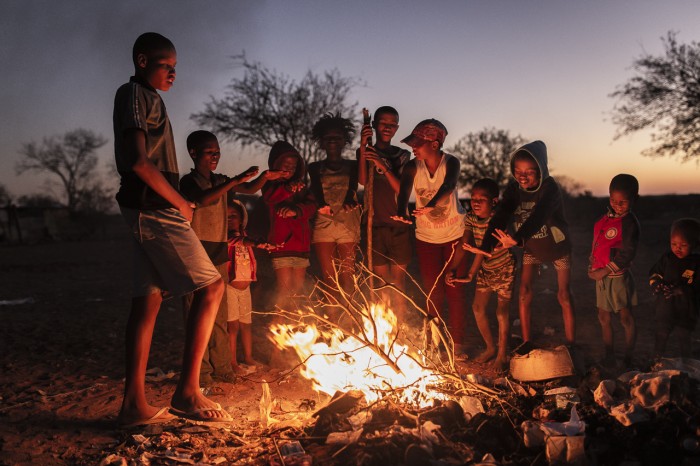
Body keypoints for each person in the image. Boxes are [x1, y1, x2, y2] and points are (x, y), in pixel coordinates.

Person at [113, 32, 229, 425]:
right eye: (167, 66)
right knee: (212, 287)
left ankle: (133, 406)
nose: (173, 74)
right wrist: (180, 202)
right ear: (143, 61)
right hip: (154, 206)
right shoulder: (132, 96)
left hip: (148, 207)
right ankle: (188, 391)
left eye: (176, 68)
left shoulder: (152, 99)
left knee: (148, 301)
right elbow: (138, 162)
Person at [179, 130, 264, 385]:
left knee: (219, 316)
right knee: (196, 315)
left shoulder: (221, 180)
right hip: (193, 253)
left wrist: (266, 178)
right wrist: (232, 181)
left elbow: (248, 188)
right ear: (193, 153)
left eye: (217, 151)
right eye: (209, 151)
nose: (215, 155)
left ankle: (223, 368)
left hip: (218, 255)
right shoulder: (188, 182)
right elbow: (202, 200)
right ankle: (201, 373)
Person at [478, 141, 575, 345]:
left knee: (564, 295)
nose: (522, 176)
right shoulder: (515, 189)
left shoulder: (550, 189)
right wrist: (487, 244)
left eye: (529, 171)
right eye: (517, 171)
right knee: (523, 293)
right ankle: (526, 342)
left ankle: (571, 342)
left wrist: (517, 238)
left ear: (540, 170)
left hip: (558, 248)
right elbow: (502, 213)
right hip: (532, 247)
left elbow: (540, 214)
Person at [392, 119, 468, 352]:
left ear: (434, 144)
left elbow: (449, 186)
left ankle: (458, 344)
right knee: (432, 290)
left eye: (418, 144)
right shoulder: (413, 166)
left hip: (455, 234)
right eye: (412, 143)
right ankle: (434, 344)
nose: (413, 148)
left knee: (454, 289)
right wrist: (401, 210)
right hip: (426, 237)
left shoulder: (451, 162)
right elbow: (404, 190)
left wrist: (432, 205)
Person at [446, 179, 515, 371]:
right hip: (485, 269)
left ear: (494, 201)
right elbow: (464, 244)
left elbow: (486, 250)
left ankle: (501, 355)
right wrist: (452, 267)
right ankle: (490, 347)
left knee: (501, 312)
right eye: (473, 198)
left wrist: (469, 273)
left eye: (481, 199)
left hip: (504, 269)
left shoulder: (498, 220)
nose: (475, 203)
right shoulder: (470, 218)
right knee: (477, 308)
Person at [357, 106, 412, 321]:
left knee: (398, 281)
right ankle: (383, 323)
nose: (387, 127)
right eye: (383, 123)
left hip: (399, 224)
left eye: (392, 124)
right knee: (380, 281)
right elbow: (363, 180)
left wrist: (381, 164)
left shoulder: (402, 155)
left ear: (397, 128)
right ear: (373, 125)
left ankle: (400, 325)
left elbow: (401, 188)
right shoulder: (366, 150)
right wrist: (363, 148)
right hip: (375, 225)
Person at [588, 174, 640, 367]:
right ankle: (609, 354)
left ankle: (628, 357)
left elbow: (627, 252)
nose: (617, 205)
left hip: (617, 278)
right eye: (613, 200)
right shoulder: (605, 219)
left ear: (634, 200)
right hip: (601, 276)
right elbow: (598, 243)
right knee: (603, 316)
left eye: (623, 202)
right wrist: (592, 264)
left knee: (625, 318)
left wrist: (604, 271)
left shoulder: (629, 223)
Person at [308, 114, 361, 300]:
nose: (332, 140)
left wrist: (350, 199)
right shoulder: (314, 167)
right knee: (329, 277)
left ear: (344, 141)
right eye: (328, 137)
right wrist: (320, 204)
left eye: (337, 137)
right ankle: (333, 322)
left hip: (348, 224)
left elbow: (354, 185)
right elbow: (315, 188)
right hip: (324, 225)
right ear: (321, 141)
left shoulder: (353, 166)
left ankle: (350, 321)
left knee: (348, 275)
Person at [262, 141, 317, 311]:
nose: (290, 169)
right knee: (284, 291)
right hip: (281, 246)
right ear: (275, 165)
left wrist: (296, 210)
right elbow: (271, 198)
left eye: (293, 166)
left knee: (298, 291)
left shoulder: (301, 187)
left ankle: (294, 325)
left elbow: (311, 207)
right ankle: (278, 325)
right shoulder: (270, 186)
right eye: (285, 165)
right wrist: (287, 188)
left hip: (301, 247)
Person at [226, 199, 277, 375]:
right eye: (225, 217)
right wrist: (255, 243)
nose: (229, 219)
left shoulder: (246, 236)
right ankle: (232, 361)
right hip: (230, 287)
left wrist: (262, 243)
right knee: (232, 326)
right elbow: (238, 242)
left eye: (233, 216)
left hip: (245, 288)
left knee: (246, 324)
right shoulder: (226, 237)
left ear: (241, 219)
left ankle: (248, 357)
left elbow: (248, 245)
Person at [649, 218, 700, 358]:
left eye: (683, 244)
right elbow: (654, 273)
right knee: (661, 333)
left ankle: (687, 364)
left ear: (695, 244)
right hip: (665, 305)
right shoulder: (667, 258)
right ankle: (656, 361)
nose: (678, 248)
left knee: (684, 336)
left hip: (686, 307)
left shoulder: (696, 263)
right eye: (674, 244)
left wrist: (681, 290)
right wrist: (656, 284)